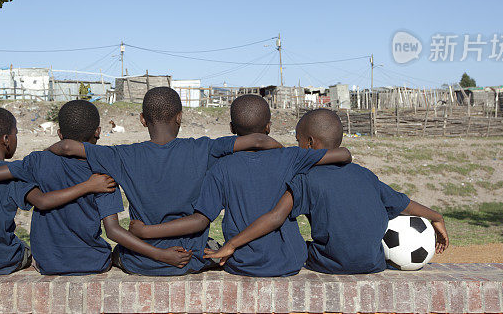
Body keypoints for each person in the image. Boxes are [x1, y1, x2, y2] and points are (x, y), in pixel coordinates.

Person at [47, 87, 284, 276]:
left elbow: (67, 146)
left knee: (117, 253)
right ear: (179, 117)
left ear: (142, 119)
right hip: (189, 259)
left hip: (142, 262)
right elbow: (258, 141)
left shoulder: (120, 155)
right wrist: (288, 155)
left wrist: (36, 161)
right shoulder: (203, 148)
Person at [127, 95, 352, 277]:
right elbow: (343, 153)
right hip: (289, 260)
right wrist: (285, 151)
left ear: (232, 127)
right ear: (269, 127)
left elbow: (201, 219)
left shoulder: (220, 168)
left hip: (242, 263)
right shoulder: (291, 157)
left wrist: (147, 231)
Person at [204, 108, 449, 274]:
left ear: (310, 144)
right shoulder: (366, 175)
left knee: (302, 247)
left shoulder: (306, 178)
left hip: (329, 264)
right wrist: (436, 216)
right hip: (374, 264)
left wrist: (232, 244)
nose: (297, 146)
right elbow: (403, 203)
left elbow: (276, 217)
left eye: (299, 140)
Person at [0, 100, 192, 274]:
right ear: (97, 132)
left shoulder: (37, 161)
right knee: (120, 253)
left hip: (48, 263)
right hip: (92, 261)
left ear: (59, 134)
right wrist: (160, 254)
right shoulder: (103, 173)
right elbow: (113, 231)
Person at [0, 107, 115, 276]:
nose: (16, 138)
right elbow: (42, 201)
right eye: (16, 133)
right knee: (24, 250)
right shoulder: (12, 175)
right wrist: (88, 185)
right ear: (6, 139)